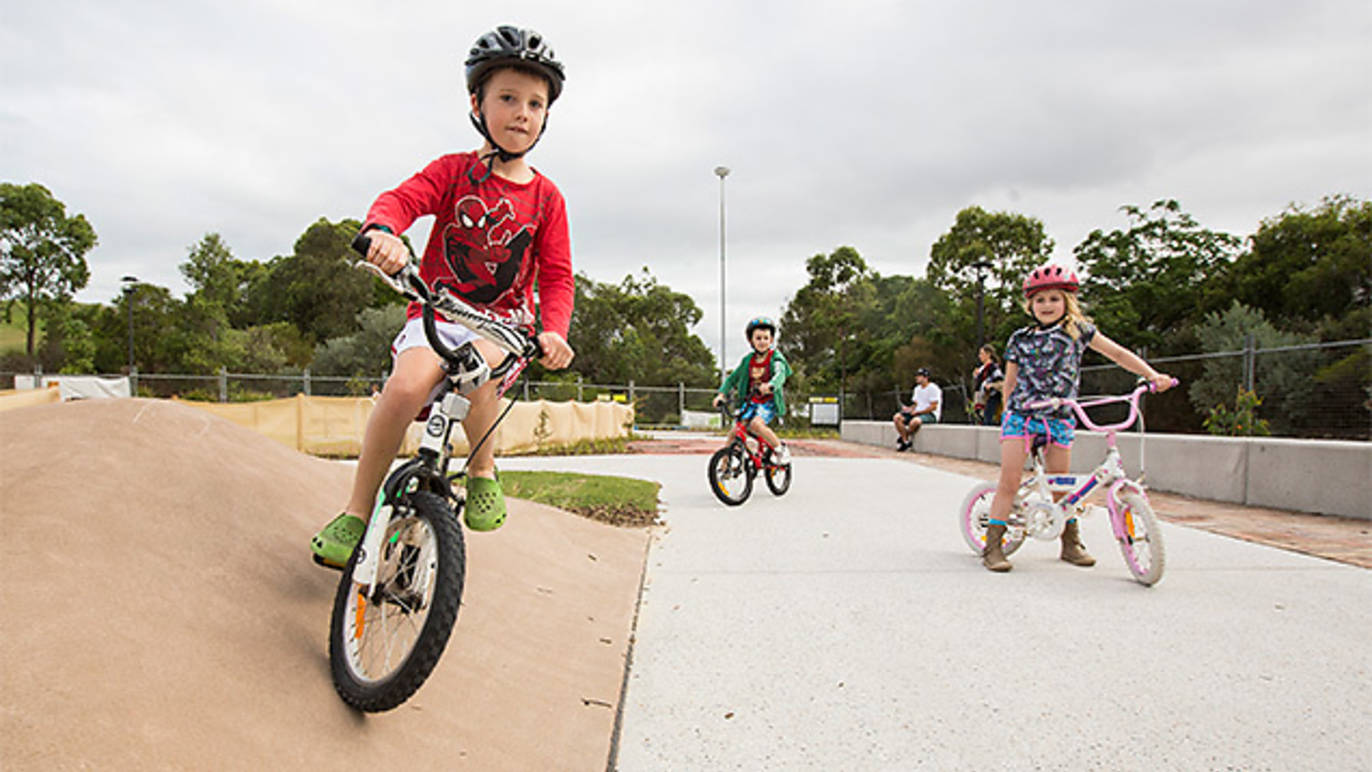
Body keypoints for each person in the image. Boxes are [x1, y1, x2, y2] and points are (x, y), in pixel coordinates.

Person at [310, 26, 576, 568]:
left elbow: (557, 276)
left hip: (503, 326)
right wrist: (383, 231)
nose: (522, 113)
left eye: (534, 103)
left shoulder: (547, 197)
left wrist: (554, 330)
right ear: (477, 103)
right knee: (405, 388)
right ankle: (357, 512)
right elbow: (401, 200)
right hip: (436, 313)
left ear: (547, 115)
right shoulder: (453, 171)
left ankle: (481, 471)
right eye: (507, 98)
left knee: (477, 367)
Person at [981, 264, 1173, 572]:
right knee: (1010, 481)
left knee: (1061, 486)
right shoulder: (1019, 339)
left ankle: (1070, 543)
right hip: (1022, 416)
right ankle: (993, 546)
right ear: (1030, 305)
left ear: (1066, 301)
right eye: (1040, 300)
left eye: (1054, 299)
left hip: (1060, 417)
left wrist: (1152, 375)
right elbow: (1010, 382)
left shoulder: (1079, 331)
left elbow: (1119, 354)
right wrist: (1008, 414)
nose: (1046, 306)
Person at [712, 317, 793, 465]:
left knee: (756, 425)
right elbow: (732, 379)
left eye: (766, 338)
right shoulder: (748, 361)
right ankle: (724, 466)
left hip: (768, 402)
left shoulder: (775, 358)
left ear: (771, 340)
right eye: (758, 338)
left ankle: (780, 449)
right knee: (735, 430)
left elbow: (780, 374)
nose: (762, 341)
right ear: (751, 340)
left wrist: (770, 385)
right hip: (751, 401)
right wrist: (721, 394)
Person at [892, 368, 941, 451]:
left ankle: (904, 436)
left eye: (919, 376)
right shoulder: (917, 389)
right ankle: (905, 441)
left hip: (930, 414)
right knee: (897, 418)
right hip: (916, 412)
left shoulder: (933, 388)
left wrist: (919, 412)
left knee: (915, 422)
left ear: (926, 378)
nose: (917, 378)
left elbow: (934, 406)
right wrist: (909, 409)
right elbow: (916, 404)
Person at [971, 344, 1004, 426]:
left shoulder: (993, 367)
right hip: (981, 398)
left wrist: (991, 385)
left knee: (988, 419)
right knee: (980, 419)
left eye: (982, 354)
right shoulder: (981, 368)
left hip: (990, 397)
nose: (980, 356)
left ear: (988, 354)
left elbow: (1000, 381)